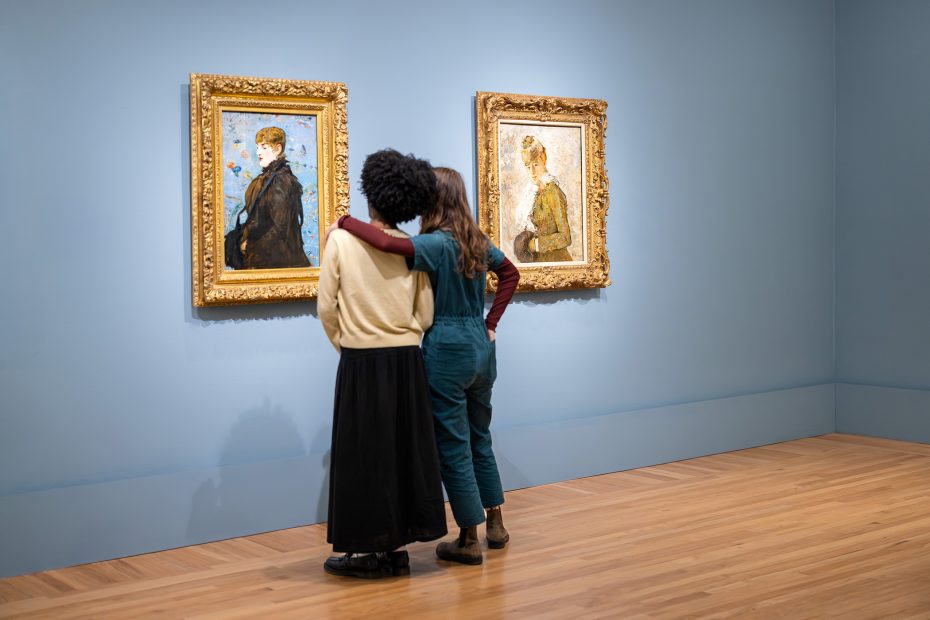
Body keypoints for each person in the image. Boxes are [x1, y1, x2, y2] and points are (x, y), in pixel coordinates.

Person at [332, 166, 520, 566]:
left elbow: (386, 243)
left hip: (447, 348)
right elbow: (510, 273)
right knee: (480, 437)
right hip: (481, 349)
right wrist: (490, 322)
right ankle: (496, 524)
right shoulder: (476, 240)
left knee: (452, 446)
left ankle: (468, 538)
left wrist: (346, 222)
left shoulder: (436, 243)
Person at [317, 149, 447, 579]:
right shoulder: (412, 248)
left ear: (370, 193)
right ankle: (399, 549)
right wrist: (403, 337)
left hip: (361, 358)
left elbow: (326, 307)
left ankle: (372, 551)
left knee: (365, 455)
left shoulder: (340, 240)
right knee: (403, 452)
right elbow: (425, 312)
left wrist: (348, 344)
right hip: (407, 359)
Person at [226, 126, 311, 270]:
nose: (258, 152)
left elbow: (279, 227)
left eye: (264, 147)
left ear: (277, 149)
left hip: (276, 260)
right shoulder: (267, 179)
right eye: (257, 147)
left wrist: (249, 245)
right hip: (266, 257)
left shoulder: (280, 181)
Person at [514, 135, 573, 263]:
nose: (532, 172)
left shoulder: (553, 192)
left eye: (536, 164)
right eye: (528, 167)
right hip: (539, 263)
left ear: (544, 160)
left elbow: (565, 237)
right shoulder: (532, 193)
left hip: (557, 262)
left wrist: (535, 245)